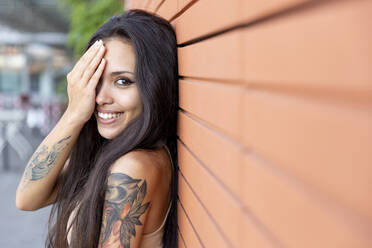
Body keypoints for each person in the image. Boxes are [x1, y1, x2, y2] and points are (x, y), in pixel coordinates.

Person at [15, 9, 179, 248]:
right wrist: (73, 114)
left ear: (155, 87)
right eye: (96, 80)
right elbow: (27, 197)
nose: (100, 97)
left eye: (122, 81)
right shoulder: (108, 153)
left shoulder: (133, 167)